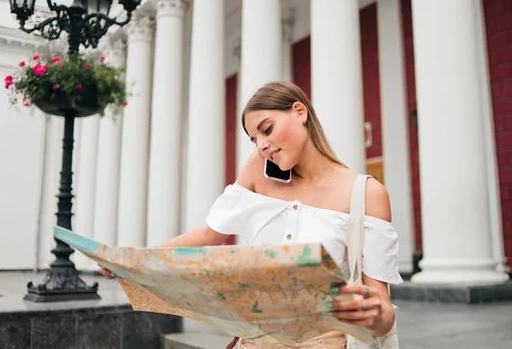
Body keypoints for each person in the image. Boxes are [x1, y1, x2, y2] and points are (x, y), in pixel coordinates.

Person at [100, 81, 402, 348]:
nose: (262, 145)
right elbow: (209, 235)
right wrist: (134, 258)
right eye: (254, 139)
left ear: (300, 112)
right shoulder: (258, 171)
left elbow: (384, 313)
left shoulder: (367, 194)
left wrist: (374, 315)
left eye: (267, 130)